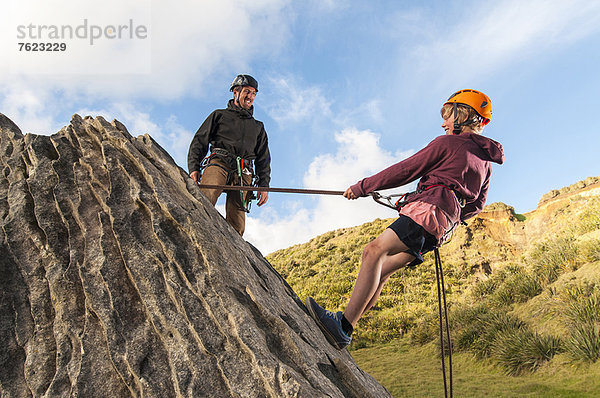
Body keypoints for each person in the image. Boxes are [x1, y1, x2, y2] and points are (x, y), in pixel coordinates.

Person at [306, 89, 505, 349]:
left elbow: (406, 169)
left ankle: (342, 327)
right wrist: (449, 210)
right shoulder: (485, 162)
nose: (443, 123)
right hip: (441, 228)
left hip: (426, 212)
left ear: (463, 116)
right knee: (383, 268)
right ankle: (347, 326)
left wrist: (362, 187)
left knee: (373, 251)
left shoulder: (448, 143)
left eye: (448, 117)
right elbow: (477, 205)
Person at [188, 74, 271, 236]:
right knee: (206, 197)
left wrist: (264, 185)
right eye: (247, 92)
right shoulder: (219, 115)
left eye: (254, 93)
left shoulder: (258, 127)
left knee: (237, 223)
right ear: (235, 92)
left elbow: (263, 158)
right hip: (219, 162)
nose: (250, 97)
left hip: (244, 171)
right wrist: (194, 168)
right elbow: (199, 141)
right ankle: (194, 234)